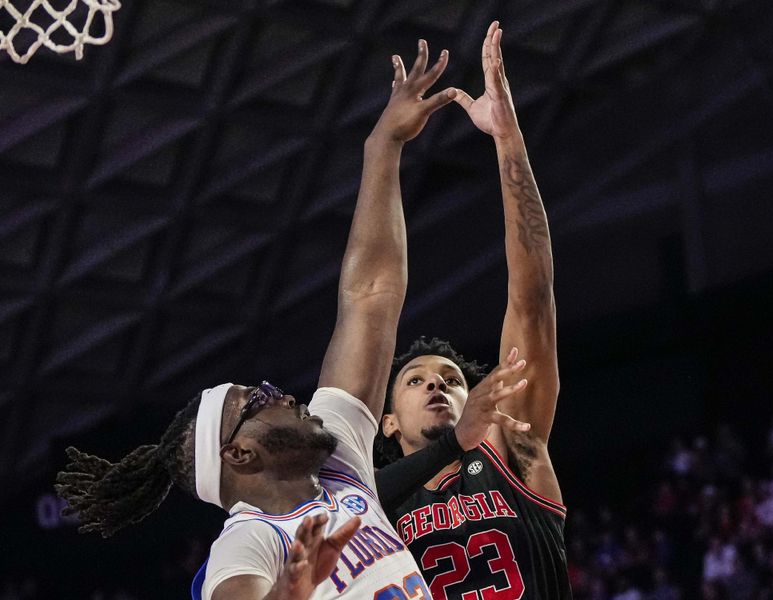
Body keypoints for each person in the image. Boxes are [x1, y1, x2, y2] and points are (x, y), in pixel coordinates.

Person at [56, 39, 470, 600]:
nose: (278, 391)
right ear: (240, 454)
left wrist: (383, 147)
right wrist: (289, 593)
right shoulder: (249, 539)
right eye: (256, 400)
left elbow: (371, 296)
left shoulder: (339, 460)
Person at [374, 22, 572, 599]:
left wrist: (506, 137)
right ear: (387, 422)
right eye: (415, 381)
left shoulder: (513, 445)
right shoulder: (376, 508)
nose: (437, 386)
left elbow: (532, 300)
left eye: (453, 380)